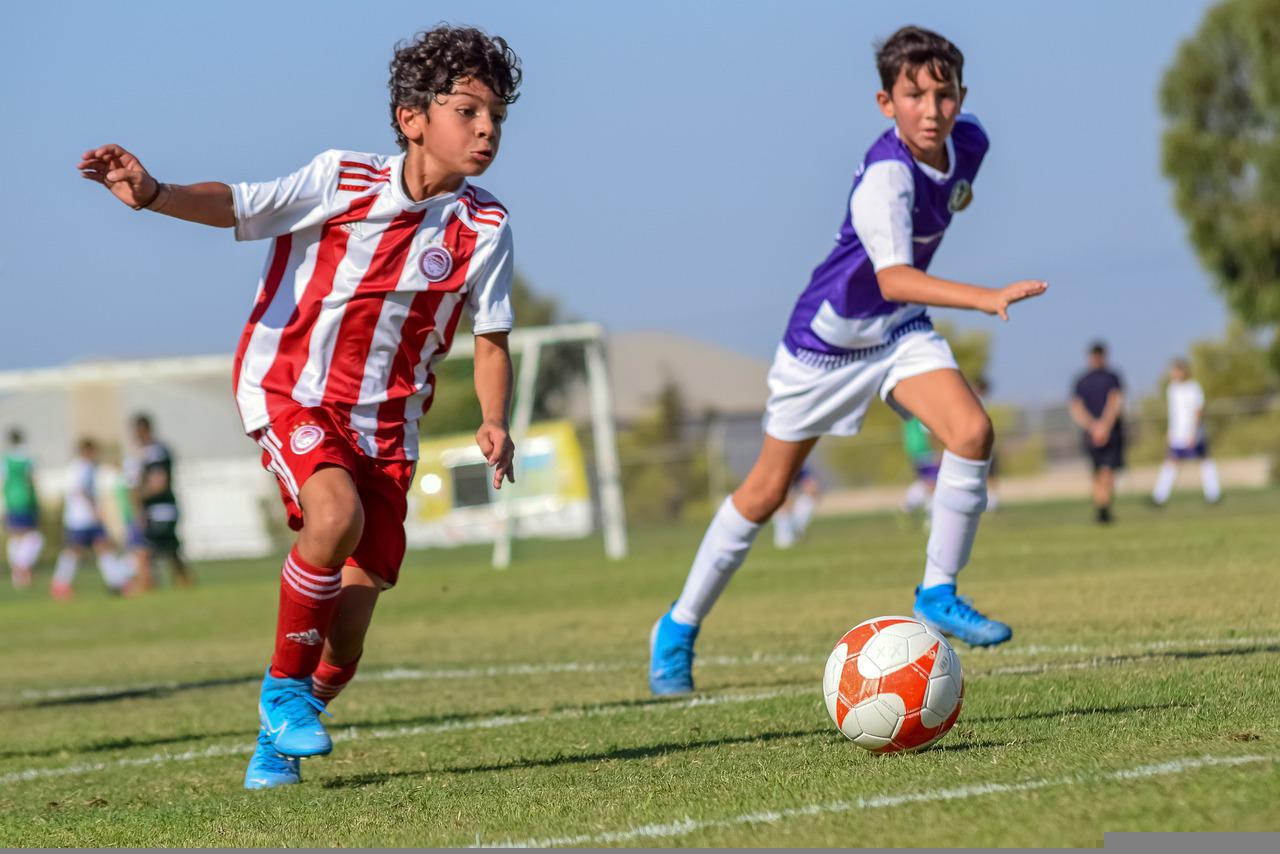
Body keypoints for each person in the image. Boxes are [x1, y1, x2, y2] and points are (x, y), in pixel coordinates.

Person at [78, 25, 520, 789]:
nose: (486, 129)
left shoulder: (486, 227)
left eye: (497, 118)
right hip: (294, 389)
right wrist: (154, 195)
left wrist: (494, 417)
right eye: (469, 111)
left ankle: (277, 738)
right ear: (412, 118)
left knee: (348, 632)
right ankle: (282, 691)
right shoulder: (339, 178)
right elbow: (240, 206)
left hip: (388, 428)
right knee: (332, 516)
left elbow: (491, 336)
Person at [648, 25, 1047, 695]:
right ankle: (678, 628)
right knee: (766, 492)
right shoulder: (885, 177)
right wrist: (983, 298)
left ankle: (938, 593)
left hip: (897, 333)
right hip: (827, 345)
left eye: (942, 94)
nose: (931, 109)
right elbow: (892, 277)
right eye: (912, 95)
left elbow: (917, 259)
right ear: (884, 102)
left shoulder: (970, 143)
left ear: (961, 97)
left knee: (972, 433)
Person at [51, 439, 133, 599]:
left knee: (103, 548)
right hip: (80, 519)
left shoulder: (89, 468)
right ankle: (60, 584)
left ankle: (117, 582)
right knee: (74, 551)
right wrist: (94, 509)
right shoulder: (78, 468)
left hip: (88, 519)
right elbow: (79, 490)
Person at [124, 414, 194, 589]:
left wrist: (138, 497)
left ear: (144, 429)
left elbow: (158, 483)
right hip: (155, 509)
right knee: (170, 550)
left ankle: (145, 586)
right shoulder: (144, 452)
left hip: (161, 509)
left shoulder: (156, 452)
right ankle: (184, 583)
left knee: (145, 550)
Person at [1151, 358, 1221, 506]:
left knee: (1204, 461)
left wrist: (1193, 433)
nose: (1174, 374)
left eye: (1176, 371)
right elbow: (1174, 413)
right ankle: (1159, 497)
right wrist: (1170, 431)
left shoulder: (1193, 388)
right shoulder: (1172, 389)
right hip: (1177, 435)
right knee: (1171, 462)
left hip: (1192, 434)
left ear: (1184, 371)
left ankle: (1213, 494)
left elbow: (1198, 411)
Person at [1069, 342, 1125, 524]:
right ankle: (1102, 509)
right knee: (1100, 472)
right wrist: (1097, 427)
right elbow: (1076, 407)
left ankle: (1103, 509)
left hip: (1104, 432)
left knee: (1105, 472)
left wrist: (1099, 427)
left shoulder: (1111, 377)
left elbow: (1114, 402)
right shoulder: (1084, 380)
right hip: (1100, 432)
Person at [3, 429, 44, 589]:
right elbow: (35, 478)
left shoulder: (5, 460)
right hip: (26, 501)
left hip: (12, 502)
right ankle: (21, 571)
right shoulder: (28, 459)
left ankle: (18, 573)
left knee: (16, 537)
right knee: (31, 537)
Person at [772, 465, 822, 549]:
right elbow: (780, 496)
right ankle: (785, 535)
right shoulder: (778, 469)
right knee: (782, 504)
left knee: (808, 501)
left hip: (791, 508)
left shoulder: (800, 468)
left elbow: (812, 488)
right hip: (779, 508)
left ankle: (797, 529)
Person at [900, 417, 939, 517]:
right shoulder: (921, 412)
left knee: (926, 482)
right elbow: (928, 432)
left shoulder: (907, 414)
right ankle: (930, 512)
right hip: (925, 450)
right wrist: (935, 451)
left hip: (913, 451)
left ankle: (910, 504)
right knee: (932, 483)